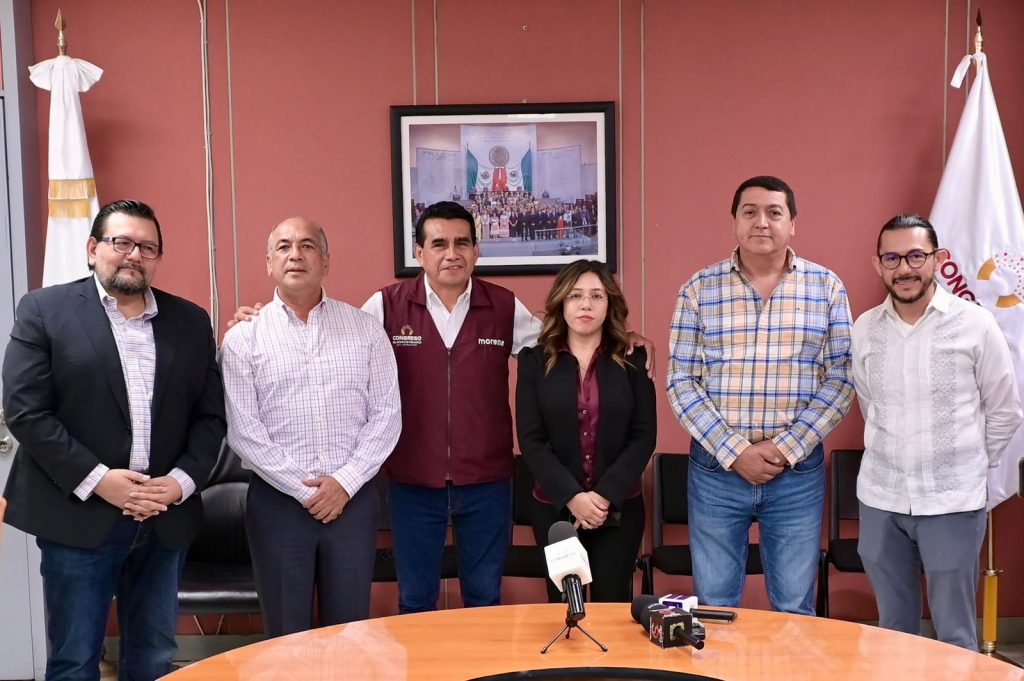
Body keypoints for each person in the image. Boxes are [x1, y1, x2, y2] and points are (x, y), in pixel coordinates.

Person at [230, 201, 653, 615]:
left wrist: (627, 337)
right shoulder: (385, 306)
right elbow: (329, 337)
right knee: (416, 601)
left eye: (461, 243)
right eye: (438, 244)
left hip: (487, 482)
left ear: (476, 251)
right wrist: (262, 319)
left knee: (484, 600)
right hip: (412, 482)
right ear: (419, 252)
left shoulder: (503, 307)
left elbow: (568, 337)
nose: (451, 254)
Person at [2, 199, 226, 680]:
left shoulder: (190, 321)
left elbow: (210, 418)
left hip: (164, 516)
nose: (134, 255)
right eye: (121, 242)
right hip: (78, 514)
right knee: (75, 660)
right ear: (92, 249)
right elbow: (26, 411)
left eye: (147, 247)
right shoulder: (44, 310)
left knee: (154, 656)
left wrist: (180, 482)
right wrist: (101, 481)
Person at [667, 176, 855, 615]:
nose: (761, 222)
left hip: (796, 472)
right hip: (716, 470)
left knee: (794, 606)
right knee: (714, 606)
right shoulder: (699, 289)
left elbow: (842, 378)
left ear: (793, 223)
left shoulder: (826, 287)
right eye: (749, 212)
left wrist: (785, 448)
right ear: (734, 221)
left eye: (774, 212)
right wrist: (735, 451)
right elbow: (681, 380)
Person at [220, 217, 401, 636]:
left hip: (351, 501)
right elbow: (244, 431)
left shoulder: (365, 329)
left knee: (349, 631)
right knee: (285, 634)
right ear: (269, 263)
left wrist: (344, 483)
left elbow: (387, 415)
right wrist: (306, 491)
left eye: (307, 245)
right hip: (278, 503)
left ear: (326, 261)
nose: (295, 255)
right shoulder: (244, 338)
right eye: (283, 247)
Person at [852, 214, 1022, 649]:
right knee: (893, 630)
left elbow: (1005, 410)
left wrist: (967, 463)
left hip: (952, 502)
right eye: (892, 258)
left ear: (938, 258)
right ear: (878, 264)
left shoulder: (975, 323)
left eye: (916, 256)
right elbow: (869, 403)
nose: (904, 268)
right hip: (882, 498)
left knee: (954, 634)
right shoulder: (865, 328)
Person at [516, 260, 656, 603]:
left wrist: (604, 495)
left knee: (614, 610)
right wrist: (573, 497)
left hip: (618, 510)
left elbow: (644, 435)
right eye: (575, 295)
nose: (586, 304)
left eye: (597, 295)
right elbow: (532, 440)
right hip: (555, 510)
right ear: (561, 302)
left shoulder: (634, 359)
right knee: (565, 610)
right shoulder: (534, 361)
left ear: (609, 304)